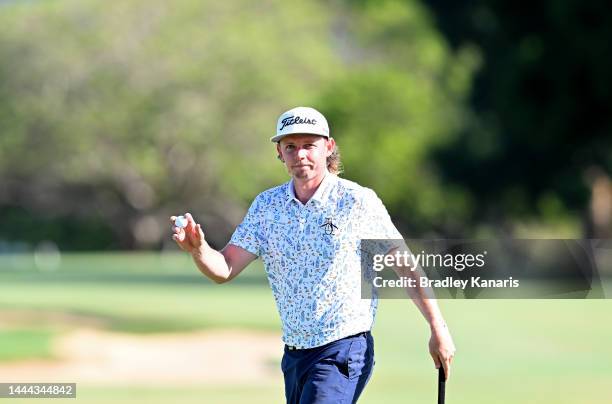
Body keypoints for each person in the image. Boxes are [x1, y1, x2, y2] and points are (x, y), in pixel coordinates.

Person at [171, 106, 455, 403]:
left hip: (343, 349)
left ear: (328, 147)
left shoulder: (356, 201)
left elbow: (405, 266)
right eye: (290, 147)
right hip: (294, 355)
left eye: (309, 145)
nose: (300, 155)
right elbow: (225, 268)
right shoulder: (267, 206)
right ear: (279, 152)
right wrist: (199, 250)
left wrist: (438, 328)